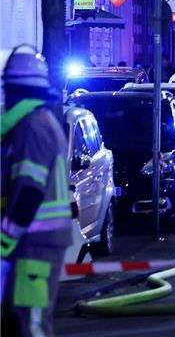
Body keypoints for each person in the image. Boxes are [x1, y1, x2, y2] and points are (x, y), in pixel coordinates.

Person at [1, 46, 73, 336]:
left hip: (36, 244)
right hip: (35, 242)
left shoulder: (32, 127)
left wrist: (4, 242)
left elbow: (29, 193)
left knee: (30, 325)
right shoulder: (36, 123)